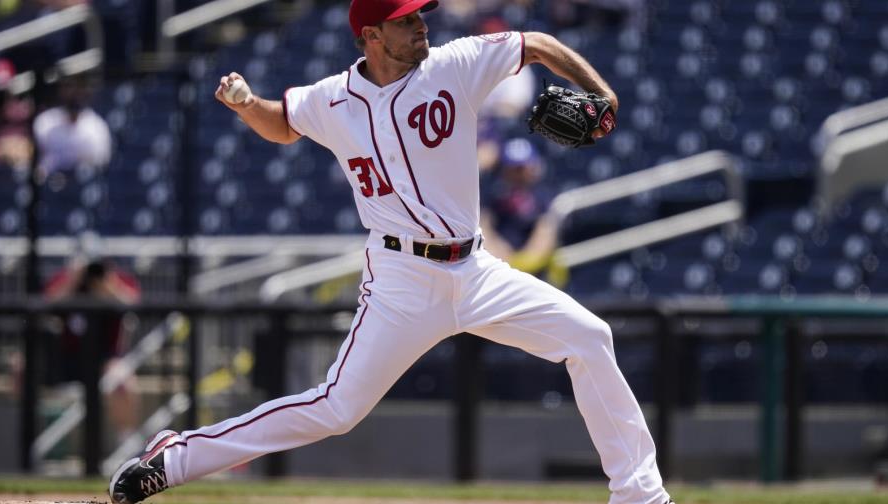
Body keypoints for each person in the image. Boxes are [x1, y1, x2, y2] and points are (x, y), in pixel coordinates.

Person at [109, 1, 673, 503]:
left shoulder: (456, 63)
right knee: (336, 409)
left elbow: (538, 45)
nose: (420, 24)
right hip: (401, 279)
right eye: (404, 20)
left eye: (419, 14)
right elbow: (282, 125)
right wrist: (247, 103)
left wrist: (603, 93)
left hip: (475, 271)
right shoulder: (334, 98)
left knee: (589, 338)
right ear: (372, 36)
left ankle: (641, 496)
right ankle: (175, 458)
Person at [44, 254, 142, 442]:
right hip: (65, 359)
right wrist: (74, 279)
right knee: (21, 367)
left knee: (124, 382)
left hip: (105, 360)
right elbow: (48, 302)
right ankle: (22, 440)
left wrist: (108, 284)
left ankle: (127, 445)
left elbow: (133, 303)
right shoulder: (66, 280)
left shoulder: (113, 280)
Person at [480, 137, 562, 279]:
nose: (518, 174)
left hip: (535, 271)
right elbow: (484, 228)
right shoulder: (493, 194)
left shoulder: (544, 195)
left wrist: (524, 263)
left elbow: (545, 234)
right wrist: (503, 260)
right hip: (498, 268)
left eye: (522, 168)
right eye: (513, 169)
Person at [32, 72, 111, 176]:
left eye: (78, 87)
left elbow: (102, 160)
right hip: (51, 182)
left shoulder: (97, 126)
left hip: (83, 183)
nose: (73, 92)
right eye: (68, 86)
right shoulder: (45, 121)